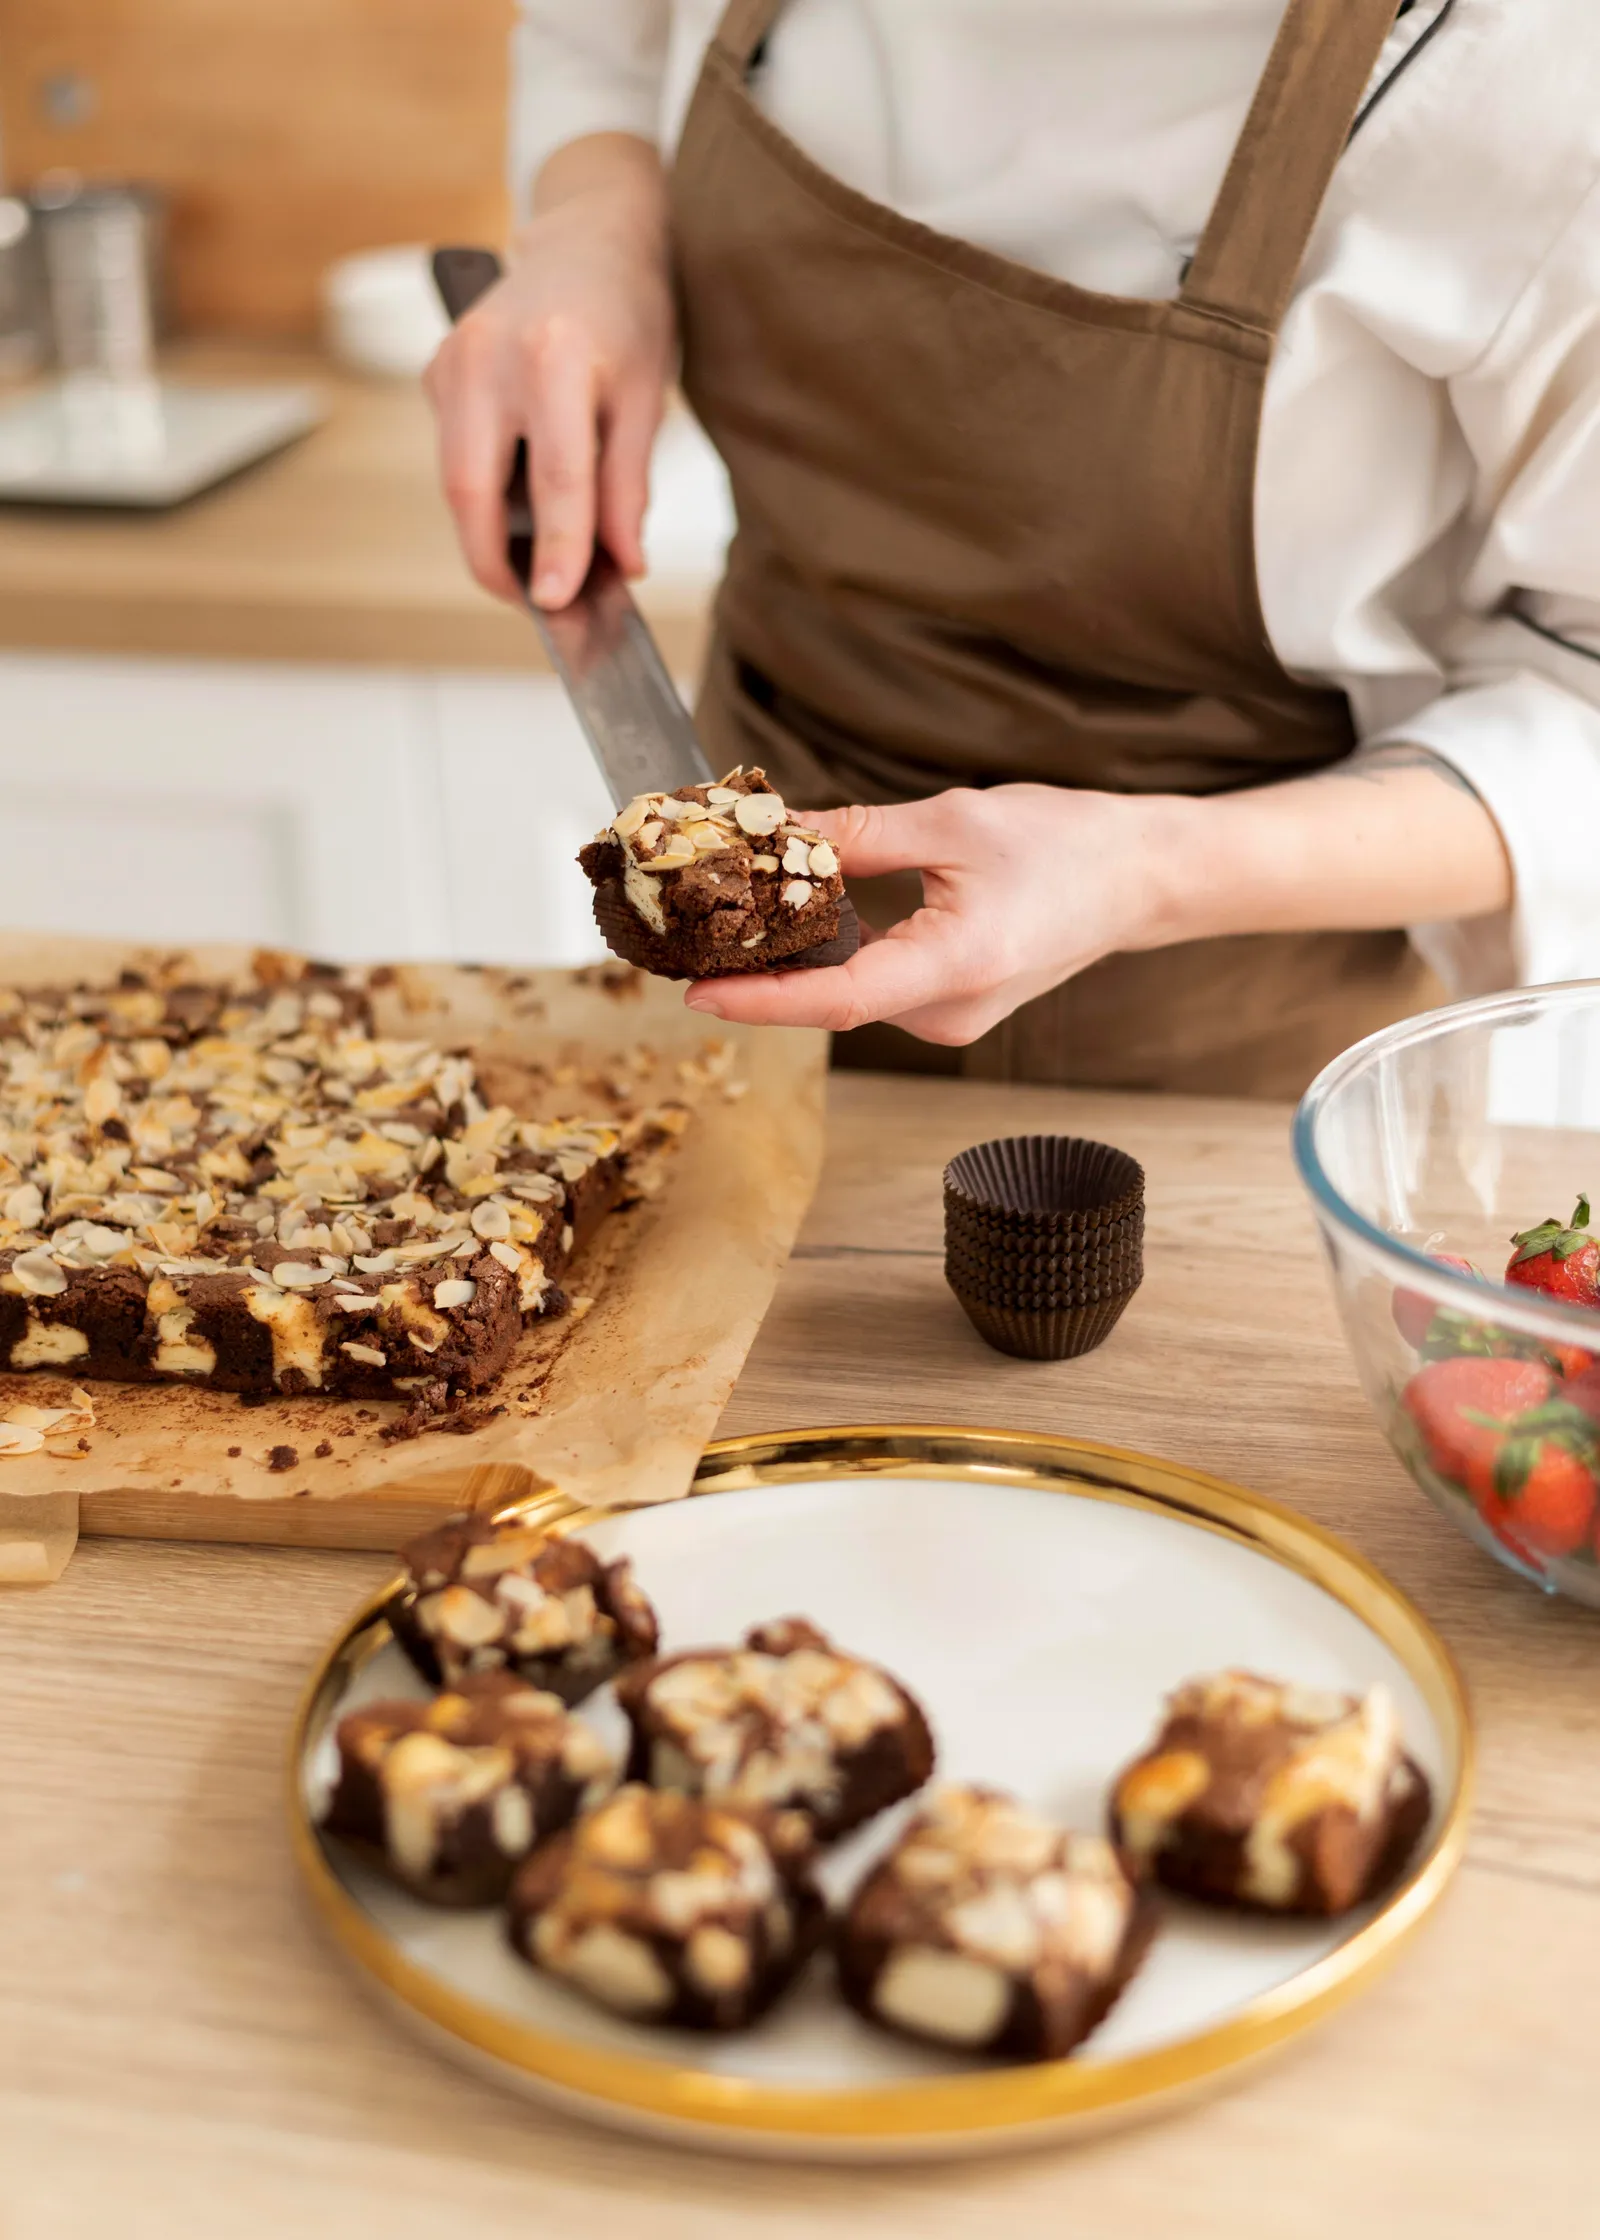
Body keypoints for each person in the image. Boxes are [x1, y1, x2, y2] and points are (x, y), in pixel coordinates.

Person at [426, 0, 1600, 1095]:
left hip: (1233, 1046)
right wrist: (596, 234)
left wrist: (1150, 869)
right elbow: (601, 40)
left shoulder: (1542, 71)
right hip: (745, 970)